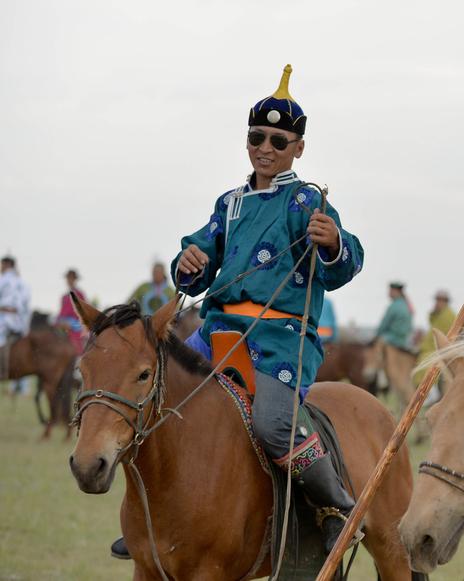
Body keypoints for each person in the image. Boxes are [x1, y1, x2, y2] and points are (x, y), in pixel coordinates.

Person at [110, 65, 364, 560]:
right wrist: (189, 262)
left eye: (278, 140)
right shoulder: (229, 204)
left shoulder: (306, 200)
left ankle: (337, 505)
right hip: (217, 332)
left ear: (298, 148)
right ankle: (149, 520)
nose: (265, 147)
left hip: (280, 339)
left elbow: (342, 265)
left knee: (273, 424)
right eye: (256, 137)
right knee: (153, 396)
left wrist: (334, 242)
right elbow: (197, 265)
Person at [414, 290, 456, 393]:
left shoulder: (448, 316)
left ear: (446, 301)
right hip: (429, 349)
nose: (437, 302)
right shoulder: (440, 315)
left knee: (426, 367)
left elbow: (448, 338)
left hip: (437, 351)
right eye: (437, 300)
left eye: (440, 300)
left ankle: (430, 392)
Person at [0, 256, 31, 386]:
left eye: (2, 265)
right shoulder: (22, 282)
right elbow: (26, 303)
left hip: (5, 319)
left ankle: (2, 370)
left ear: (7, 264)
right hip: (20, 322)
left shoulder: (3, 280)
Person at [57, 269, 88, 354]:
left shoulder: (80, 294)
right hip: (64, 322)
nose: (69, 280)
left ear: (75, 280)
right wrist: (58, 320)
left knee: (77, 337)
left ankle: (79, 354)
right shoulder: (64, 297)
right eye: (68, 278)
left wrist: (70, 323)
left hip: (77, 324)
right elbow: (61, 312)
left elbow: (84, 312)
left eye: (71, 278)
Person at [375, 282, 413, 349]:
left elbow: (384, 324)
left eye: (391, 291)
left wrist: (377, 335)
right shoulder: (407, 305)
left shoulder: (394, 306)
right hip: (404, 340)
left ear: (396, 291)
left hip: (392, 339)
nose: (389, 293)